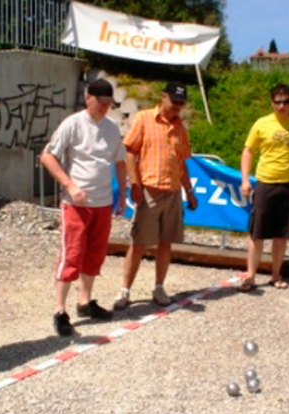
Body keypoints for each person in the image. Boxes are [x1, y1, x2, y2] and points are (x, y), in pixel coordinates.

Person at [40, 78, 127, 337]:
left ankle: (85, 302)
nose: (105, 107)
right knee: (71, 254)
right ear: (88, 98)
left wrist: (123, 194)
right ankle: (59, 310)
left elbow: (120, 161)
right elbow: (48, 156)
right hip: (76, 204)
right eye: (101, 102)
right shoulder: (73, 124)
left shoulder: (112, 128)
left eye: (109, 103)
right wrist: (70, 185)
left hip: (103, 203)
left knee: (95, 254)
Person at [113, 81, 197, 310]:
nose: (177, 105)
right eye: (175, 101)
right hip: (149, 190)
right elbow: (130, 152)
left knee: (166, 242)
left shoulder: (180, 127)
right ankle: (125, 290)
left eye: (181, 102)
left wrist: (189, 191)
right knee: (139, 243)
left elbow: (181, 163)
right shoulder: (143, 119)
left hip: (172, 192)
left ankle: (159, 287)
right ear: (163, 97)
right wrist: (135, 184)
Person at [239, 83, 289, 291]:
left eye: (286, 102)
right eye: (278, 102)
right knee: (257, 234)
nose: (282, 106)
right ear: (272, 103)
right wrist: (245, 180)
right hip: (265, 183)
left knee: (281, 235)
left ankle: (276, 275)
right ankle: (250, 276)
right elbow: (248, 151)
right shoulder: (262, 123)